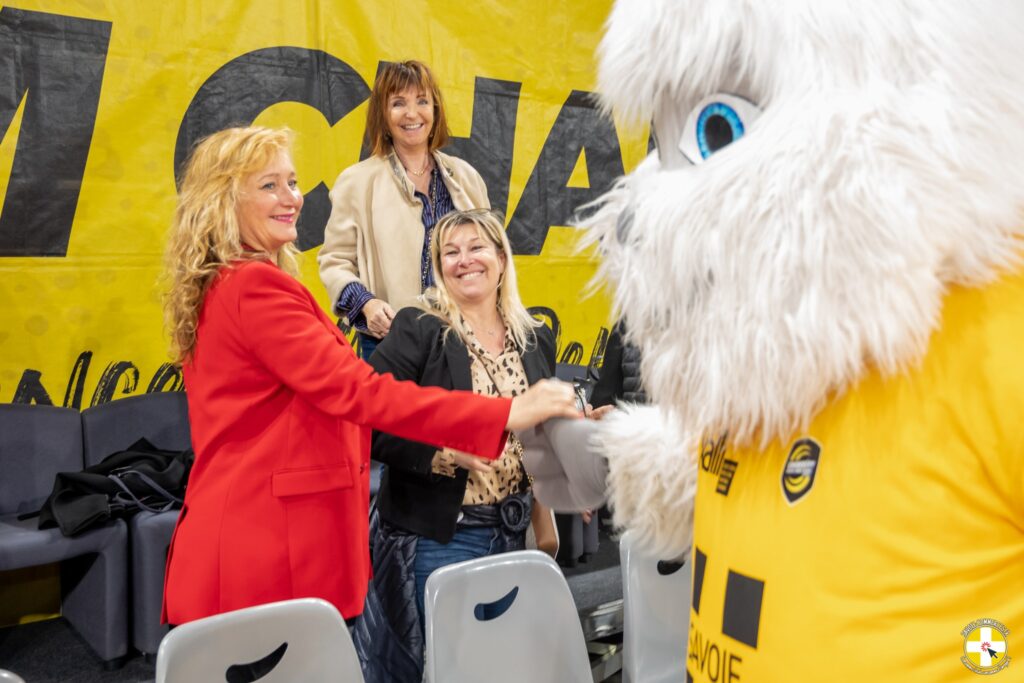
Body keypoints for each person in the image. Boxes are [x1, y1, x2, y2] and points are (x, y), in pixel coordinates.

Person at [160, 127, 579, 627]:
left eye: (292, 182)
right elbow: (360, 391)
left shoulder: (241, 284)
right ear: (223, 199)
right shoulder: (253, 289)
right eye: (269, 185)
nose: (292, 197)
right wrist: (506, 412)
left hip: (273, 541)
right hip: (266, 548)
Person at [353, 209, 554, 682]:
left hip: (516, 529)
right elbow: (366, 419)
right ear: (439, 266)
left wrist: (576, 442)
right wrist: (441, 455)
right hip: (443, 537)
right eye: (451, 252)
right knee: (447, 668)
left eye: (477, 247)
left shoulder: (533, 337)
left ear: (502, 259)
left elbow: (540, 430)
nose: (464, 261)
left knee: (506, 666)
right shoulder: (420, 329)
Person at [318, 60, 489, 360]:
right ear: (383, 116)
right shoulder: (356, 182)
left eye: (422, 101)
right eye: (398, 103)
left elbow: (490, 257)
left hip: (464, 342)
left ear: (435, 110)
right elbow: (335, 262)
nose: (412, 113)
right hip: (388, 345)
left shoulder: (467, 178)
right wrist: (367, 305)